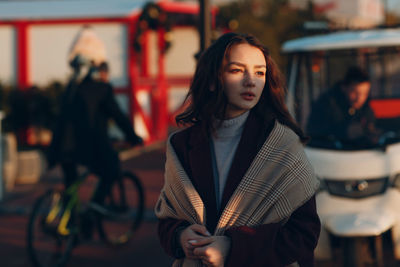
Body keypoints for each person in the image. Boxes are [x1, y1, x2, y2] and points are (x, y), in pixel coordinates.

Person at [155, 33, 320, 267]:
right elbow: (167, 219)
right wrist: (180, 236)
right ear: (213, 80)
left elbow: (304, 233)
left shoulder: (282, 145)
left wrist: (234, 248)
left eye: (259, 72)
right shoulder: (181, 145)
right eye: (237, 70)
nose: (251, 81)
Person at [47, 57, 143, 205]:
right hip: (85, 145)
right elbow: (118, 116)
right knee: (110, 169)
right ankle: (93, 212)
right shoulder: (102, 89)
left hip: (61, 145)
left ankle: (69, 223)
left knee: (71, 184)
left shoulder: (71, 88)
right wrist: (133, 137)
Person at [307, 66, 379, 148]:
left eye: (365, 93)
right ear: (344, 87)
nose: (359, 99)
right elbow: (316, 136)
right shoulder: (326, 105)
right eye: (355, 92)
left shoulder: (366, 108)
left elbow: (371, 129)